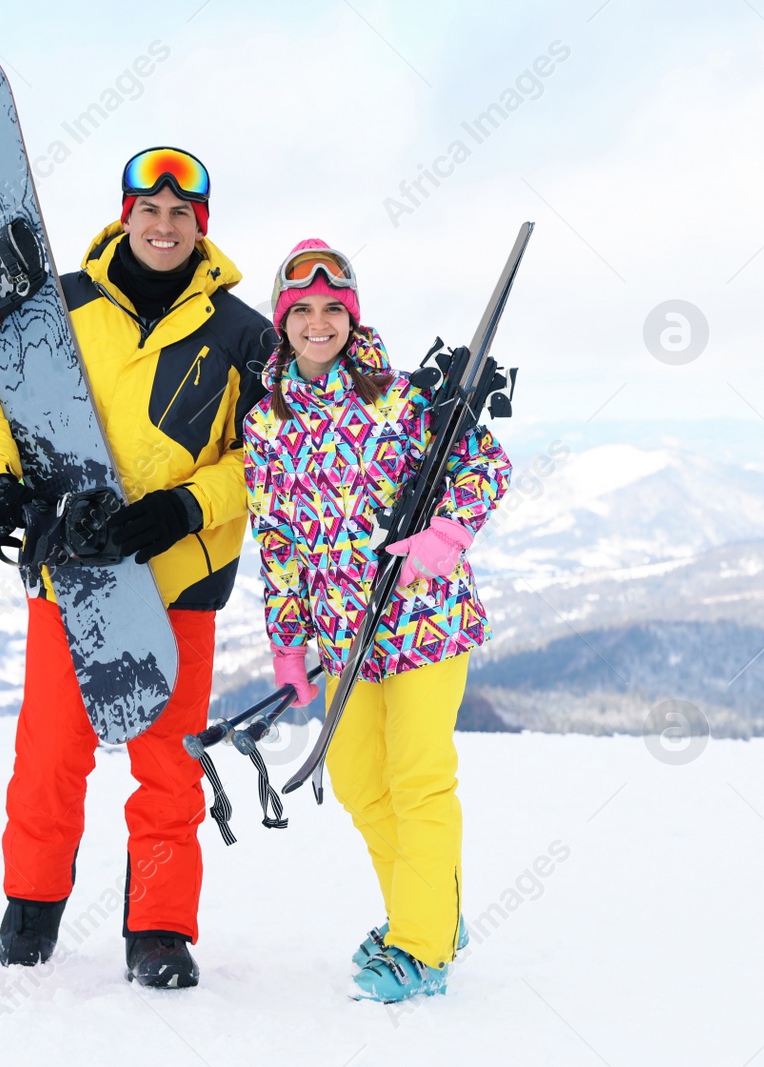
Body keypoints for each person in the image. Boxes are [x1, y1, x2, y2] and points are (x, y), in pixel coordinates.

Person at [0, 146, 270, 988]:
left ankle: (159, 931)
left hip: (180, 580)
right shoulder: (58, 304)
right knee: (51, 754)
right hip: (73, 571)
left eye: (181, 215)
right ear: (125, 215)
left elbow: (268, 456)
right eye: (151, 210)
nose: (164, 226)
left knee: (168, 762)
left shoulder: (245, 335)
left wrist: (178, 508)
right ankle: (30, 912)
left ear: (199, 226)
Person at [243, 240, 512, 1002]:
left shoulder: (399, 398)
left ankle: (422, 946)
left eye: (334, 308)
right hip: (345, 640)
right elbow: (277, 543)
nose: (319, 322)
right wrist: (287, 641)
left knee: (418, 779)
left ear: (351, 318)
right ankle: (431, 910)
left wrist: (449, 534)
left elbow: (484, 461)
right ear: (284, 322)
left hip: (425, 621)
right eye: (304, 311)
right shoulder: (267, 424)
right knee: (361, 780)